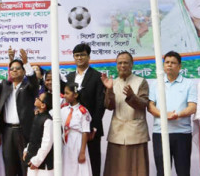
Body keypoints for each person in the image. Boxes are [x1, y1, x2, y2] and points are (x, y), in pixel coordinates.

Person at [0, 48, 39, 176]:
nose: (14, 71)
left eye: (18, 68)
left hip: (23, 131)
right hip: (7, 131)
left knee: (25, 165)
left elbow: (34, 82)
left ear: (24, 71)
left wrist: (26, 63)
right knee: (9, 166)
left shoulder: (28, 87)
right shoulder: (5, 86)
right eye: (12, 69)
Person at [147, 51, 197, 176]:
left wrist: (177, 115)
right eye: (167, 62)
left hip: (182, 133)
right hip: (160, 133)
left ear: (180, 66)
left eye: (173, 63)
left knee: (183, 171)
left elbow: (192, 107)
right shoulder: (156, 83)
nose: (169, 65)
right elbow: (150, 106)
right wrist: (164, 115)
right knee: (162, 171)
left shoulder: (189, 84)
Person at [59, 43, 105, 176]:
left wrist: (94, 127)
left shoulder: (97, 76)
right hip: (71, 133)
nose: (79, 58)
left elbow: (100, 103)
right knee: (71, 166)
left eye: (82, 55)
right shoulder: (68, 77)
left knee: (93, 163)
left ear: (88, 57)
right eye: (76, 55)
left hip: (90, 130)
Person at [102, 52, 150, 176]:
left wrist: (132, 96)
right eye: (120, 63)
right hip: (117, 132)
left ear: (132, 64)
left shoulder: (141, 81)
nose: (122, 65)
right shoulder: (113, 82)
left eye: (125, 63)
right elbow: (109, 106)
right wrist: (109, 90)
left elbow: (143, 104)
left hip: (136, 133)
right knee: (115, 169)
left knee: (137, 169)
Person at [61, 83, 92, 176]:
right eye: (64, 93)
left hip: (77, 142)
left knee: (78, 168)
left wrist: (82, 152)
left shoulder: (82, 111)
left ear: (75, 95)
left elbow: (85, 131)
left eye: (67, 93)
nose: (64, 95)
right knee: (67, 166)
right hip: (66, 142)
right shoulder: (63, 109)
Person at [24, 92, 54, 176]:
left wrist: (37, 160)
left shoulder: (48, 121)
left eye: (38, 98)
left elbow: (47, 144)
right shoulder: (37, 116)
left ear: (43, 105)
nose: (36, 98)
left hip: (42, 164)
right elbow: (33, 137)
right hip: (32, 158)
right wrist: (27, 150)